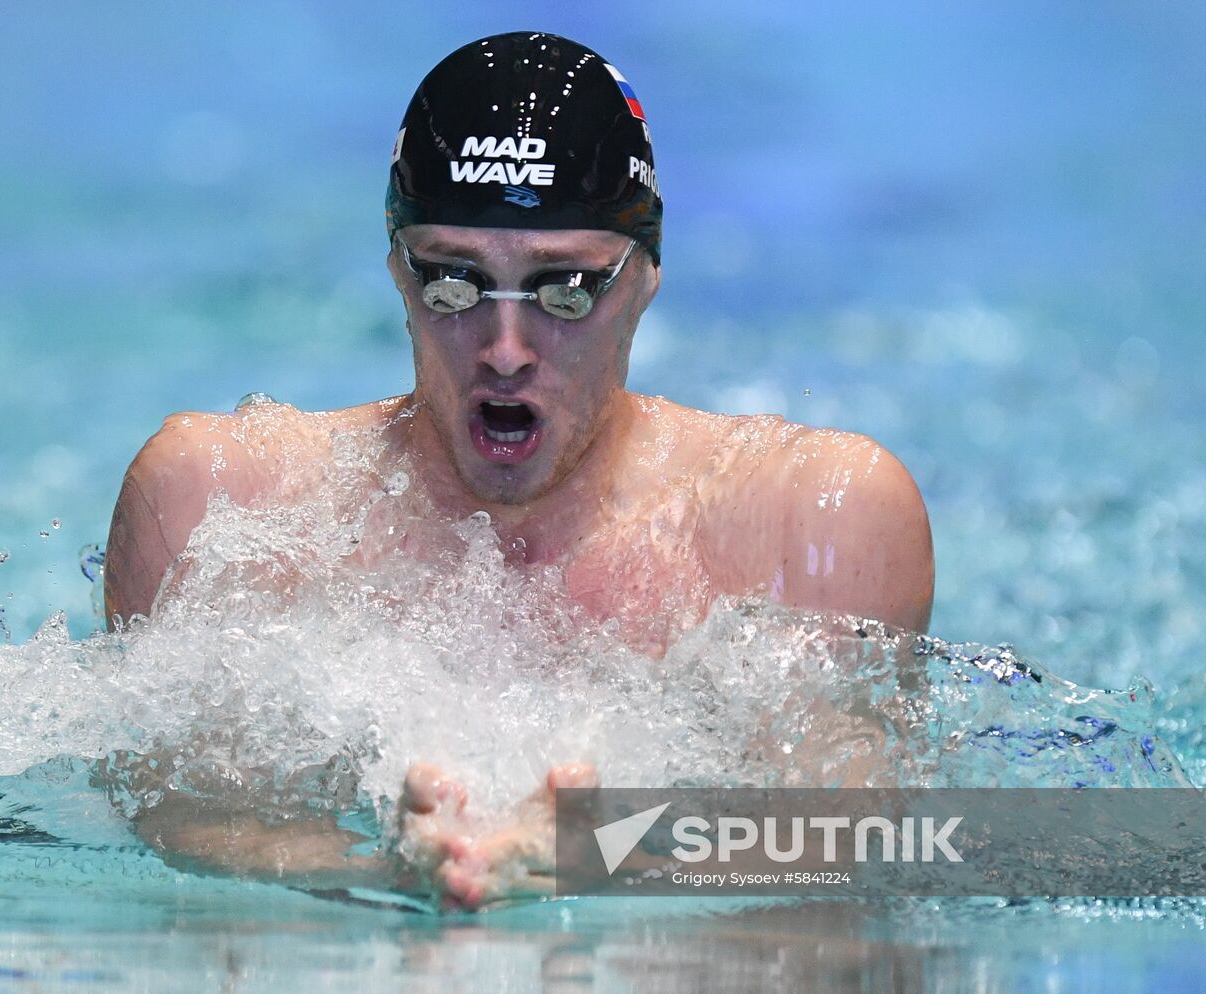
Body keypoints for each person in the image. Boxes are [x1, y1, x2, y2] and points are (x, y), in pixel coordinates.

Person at [102, 32, 934, 910]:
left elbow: (901, 851)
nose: (504, 351)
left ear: (646, 276)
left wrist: (630, 855)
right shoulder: (218, 504)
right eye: (453, 284)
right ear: (395, 268)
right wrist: (363, 862)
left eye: (566, 288)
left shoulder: (811, 523)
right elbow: (158, 826)